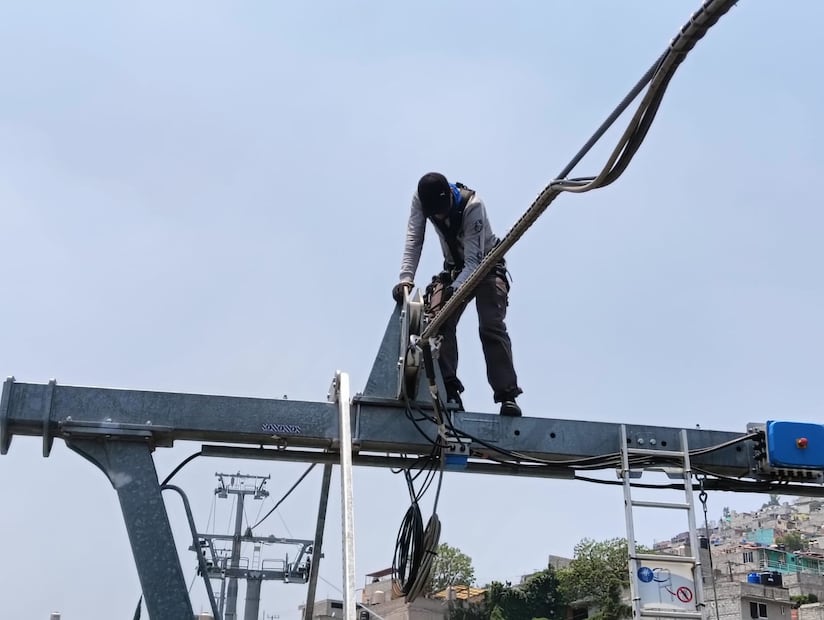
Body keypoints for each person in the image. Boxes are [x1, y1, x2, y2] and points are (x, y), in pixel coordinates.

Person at [392, 172, 523, 416]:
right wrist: (405, 279)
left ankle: (507, 395)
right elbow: (414, 239)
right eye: (435, 214)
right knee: (439, 324)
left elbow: (474, 261)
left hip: (486, 265)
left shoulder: (473, 206)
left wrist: (453, 291)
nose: (440, 217)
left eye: (442, 211)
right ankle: (449, 390)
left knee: (491, 325)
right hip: (454, 269)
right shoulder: (421, 200)